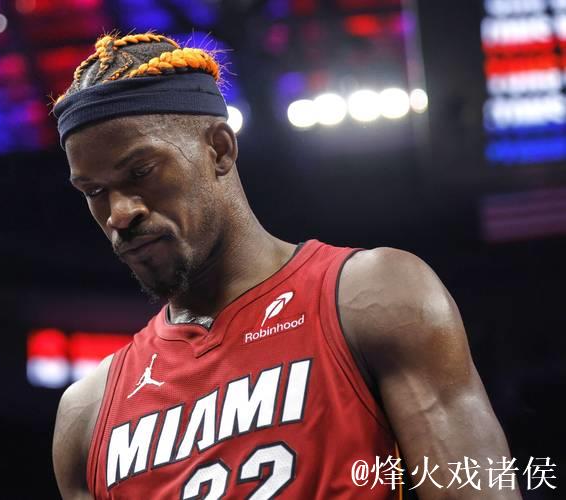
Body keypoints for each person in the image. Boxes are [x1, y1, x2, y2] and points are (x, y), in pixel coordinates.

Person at [50, 32, 519, 499]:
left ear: (219, 149)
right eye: (95, 191)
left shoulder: (373, 298)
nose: (119, 214)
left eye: (141, 172)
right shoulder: (87, 414)